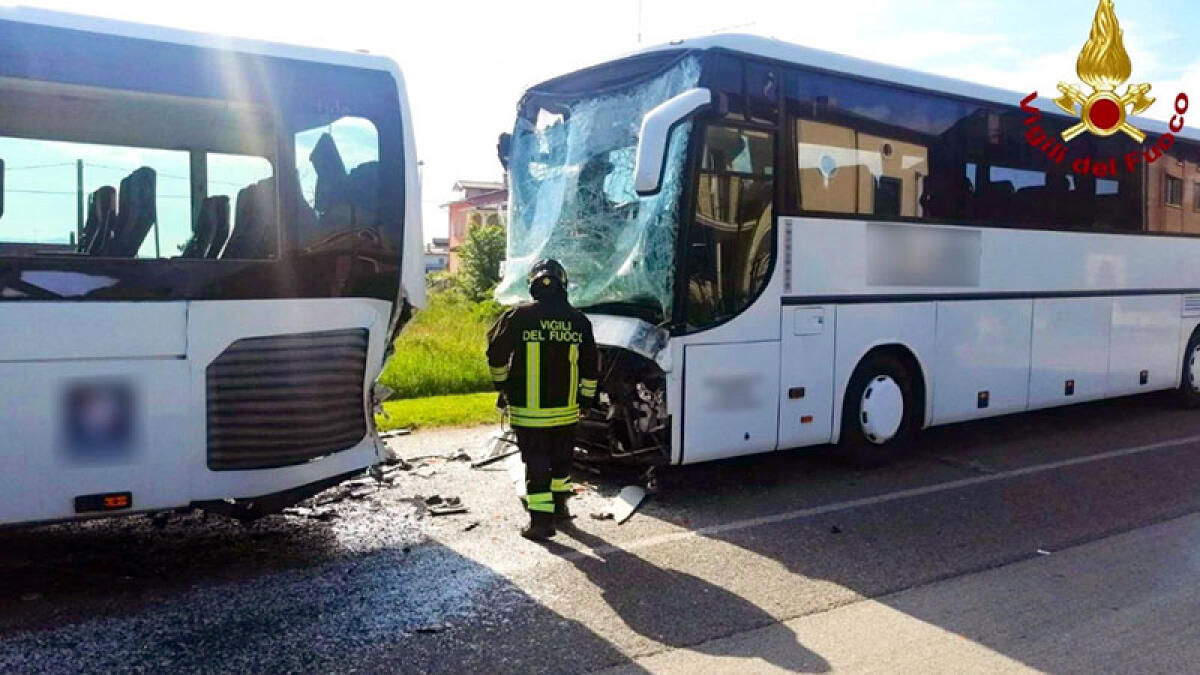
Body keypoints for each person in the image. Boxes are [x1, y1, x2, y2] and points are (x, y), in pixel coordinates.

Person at [486, 259, 599, 540]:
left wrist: (501, 385)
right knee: (561, 461)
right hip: (567, 410)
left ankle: (541, 522)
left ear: (533, 284)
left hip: (529, 410)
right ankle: (559, 509)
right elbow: (590, 365)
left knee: (536, 462)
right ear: (564, 285)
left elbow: (496, 354)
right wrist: (586, 399)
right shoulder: (578, 320)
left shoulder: (519, 316)